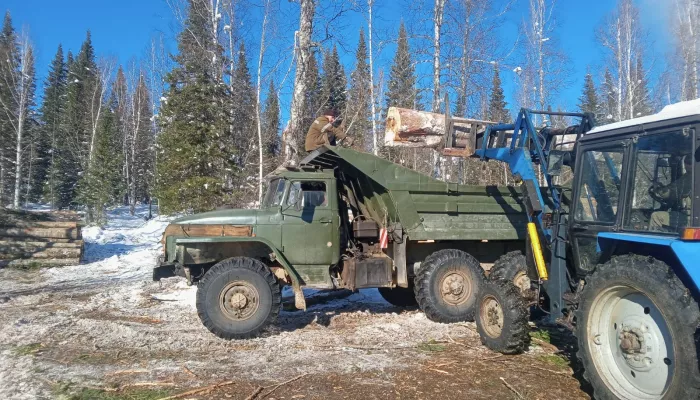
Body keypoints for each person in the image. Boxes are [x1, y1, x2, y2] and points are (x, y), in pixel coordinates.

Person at [649, 155, 693, 231]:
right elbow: (674, 188)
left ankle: (655, 242)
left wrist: (657, 189)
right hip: (691, 216)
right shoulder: (689, 176)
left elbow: (669, 193)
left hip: (690, 219)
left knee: (656, 216)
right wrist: (662, 187)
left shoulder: (690, 178)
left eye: (689, 162)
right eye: (686, 162)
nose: (686, 165)